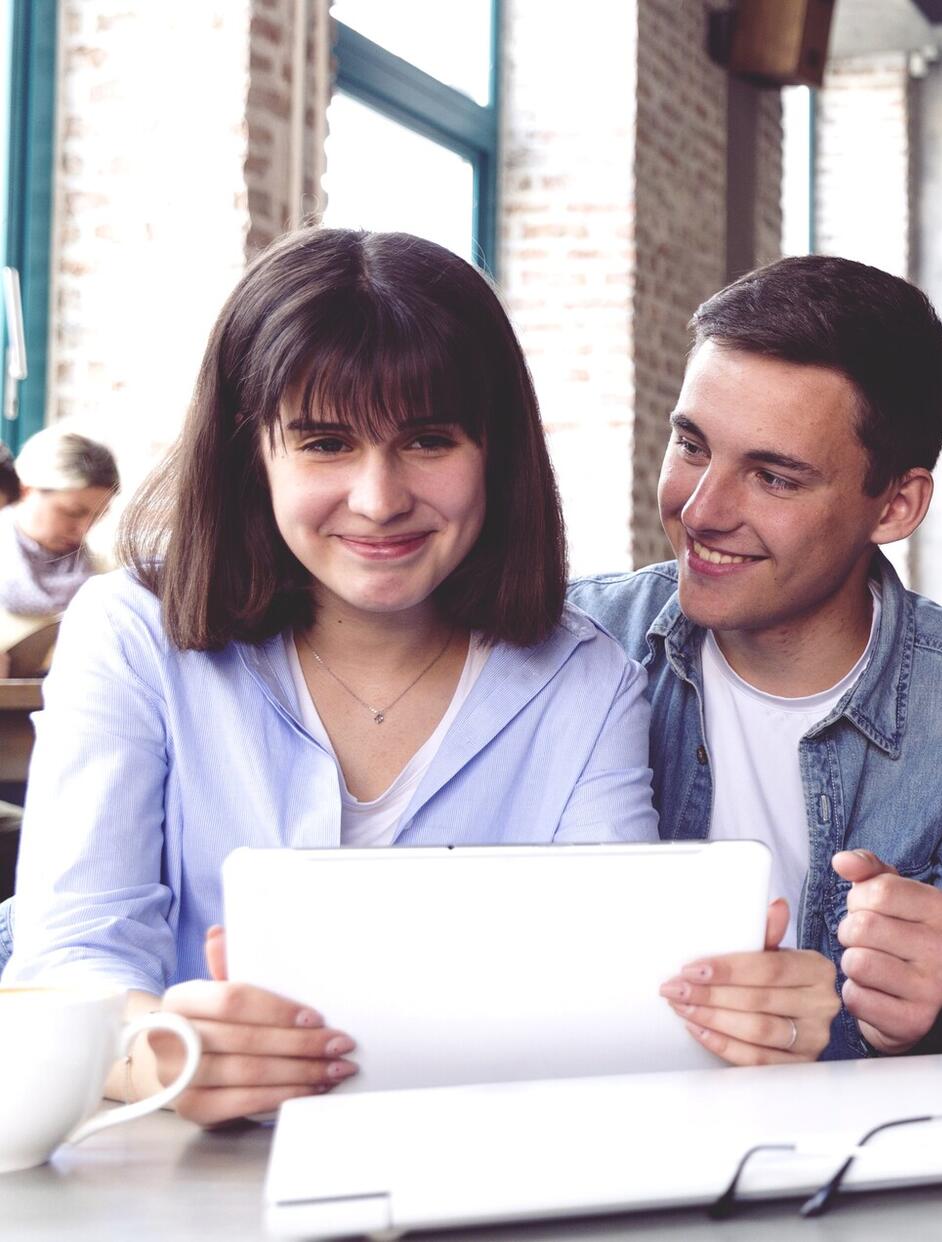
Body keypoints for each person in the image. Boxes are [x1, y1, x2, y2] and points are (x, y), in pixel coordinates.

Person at [0, 229, 661, 1126]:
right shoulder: (131, 636)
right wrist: (158, 1055)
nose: (380, 498)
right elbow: (74, 953)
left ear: (496, 454)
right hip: (181, 1173)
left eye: (429, 440)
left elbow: (608, 986)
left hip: (484, 1166)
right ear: (251, 457)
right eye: (323, 443)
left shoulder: (588, 683)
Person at [570, 257, 942, 1064]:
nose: (700, 510)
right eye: (691, 445)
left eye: (773, 477)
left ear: (895, 505)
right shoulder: (574, 643)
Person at [0, 427, 118, 619]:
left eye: (97, 516)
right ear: (26, 491)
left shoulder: (109, 572)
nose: (83, 530)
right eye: (73, 513)